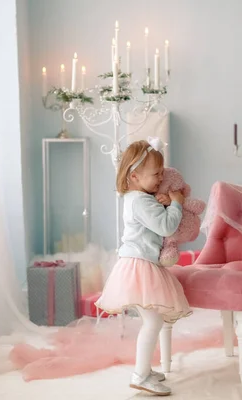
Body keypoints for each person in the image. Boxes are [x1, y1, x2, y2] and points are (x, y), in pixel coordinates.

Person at [95, 139, 192, 396]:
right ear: (134, 175)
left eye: (162, 173)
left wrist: (162, 201)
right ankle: (140, 375)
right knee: (152, 323)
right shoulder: (141, 202)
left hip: (138, 263)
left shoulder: (136, 197)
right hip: (140, 266)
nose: (161, 178)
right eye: (156, 174)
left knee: (154, 321)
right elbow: (167, 227)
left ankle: (145, 370)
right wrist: (177, 203)